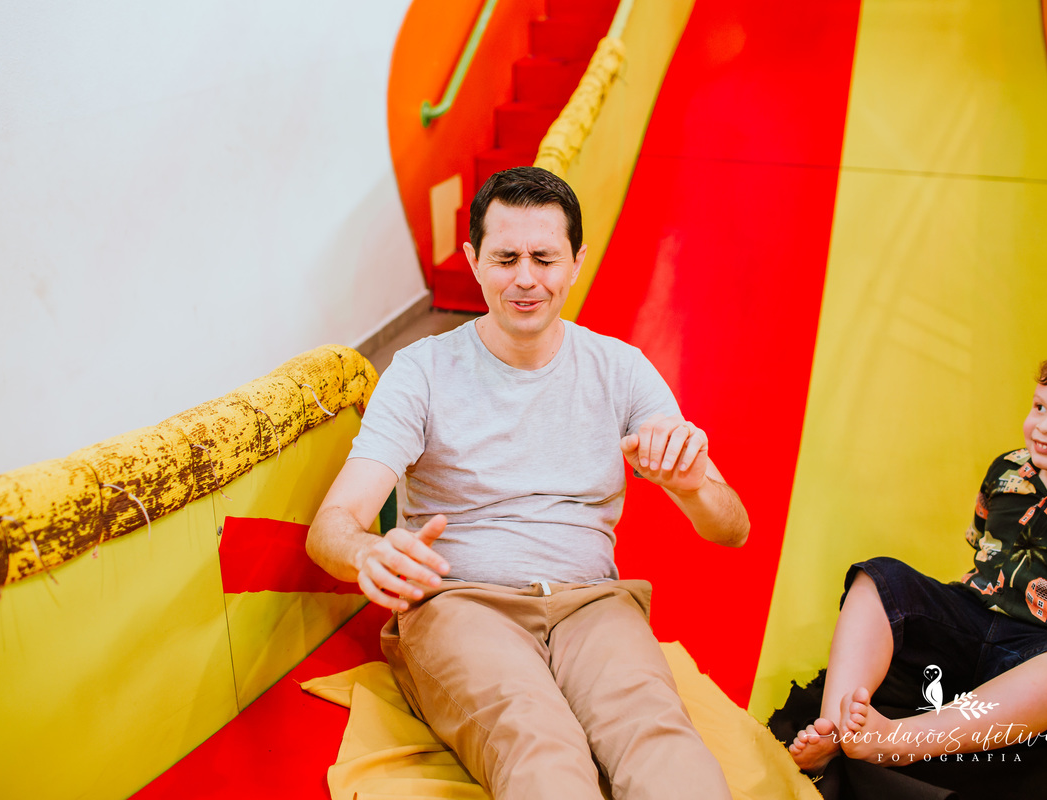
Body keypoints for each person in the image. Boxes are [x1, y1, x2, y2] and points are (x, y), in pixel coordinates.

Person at [306, 166, 749, 800]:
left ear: (576, 263)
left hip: (593, 603)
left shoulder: (620, 369)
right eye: (506, 258)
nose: (525, 278)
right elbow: (333, 526)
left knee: (660, 741)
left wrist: (691, 484)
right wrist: (367, 552)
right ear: (473, 261)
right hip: (463, 602)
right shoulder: (422, 370)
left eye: (544, 258)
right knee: (539, 743)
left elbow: (733, 529)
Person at [789, 339, 1047, 778]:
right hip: (971, 619)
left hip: (1045, 653)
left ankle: (898, 740)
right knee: (879, 577)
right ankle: (836, 728)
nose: (1045, 426)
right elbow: (984, 548)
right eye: (1040, 407)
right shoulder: (1007, 470)